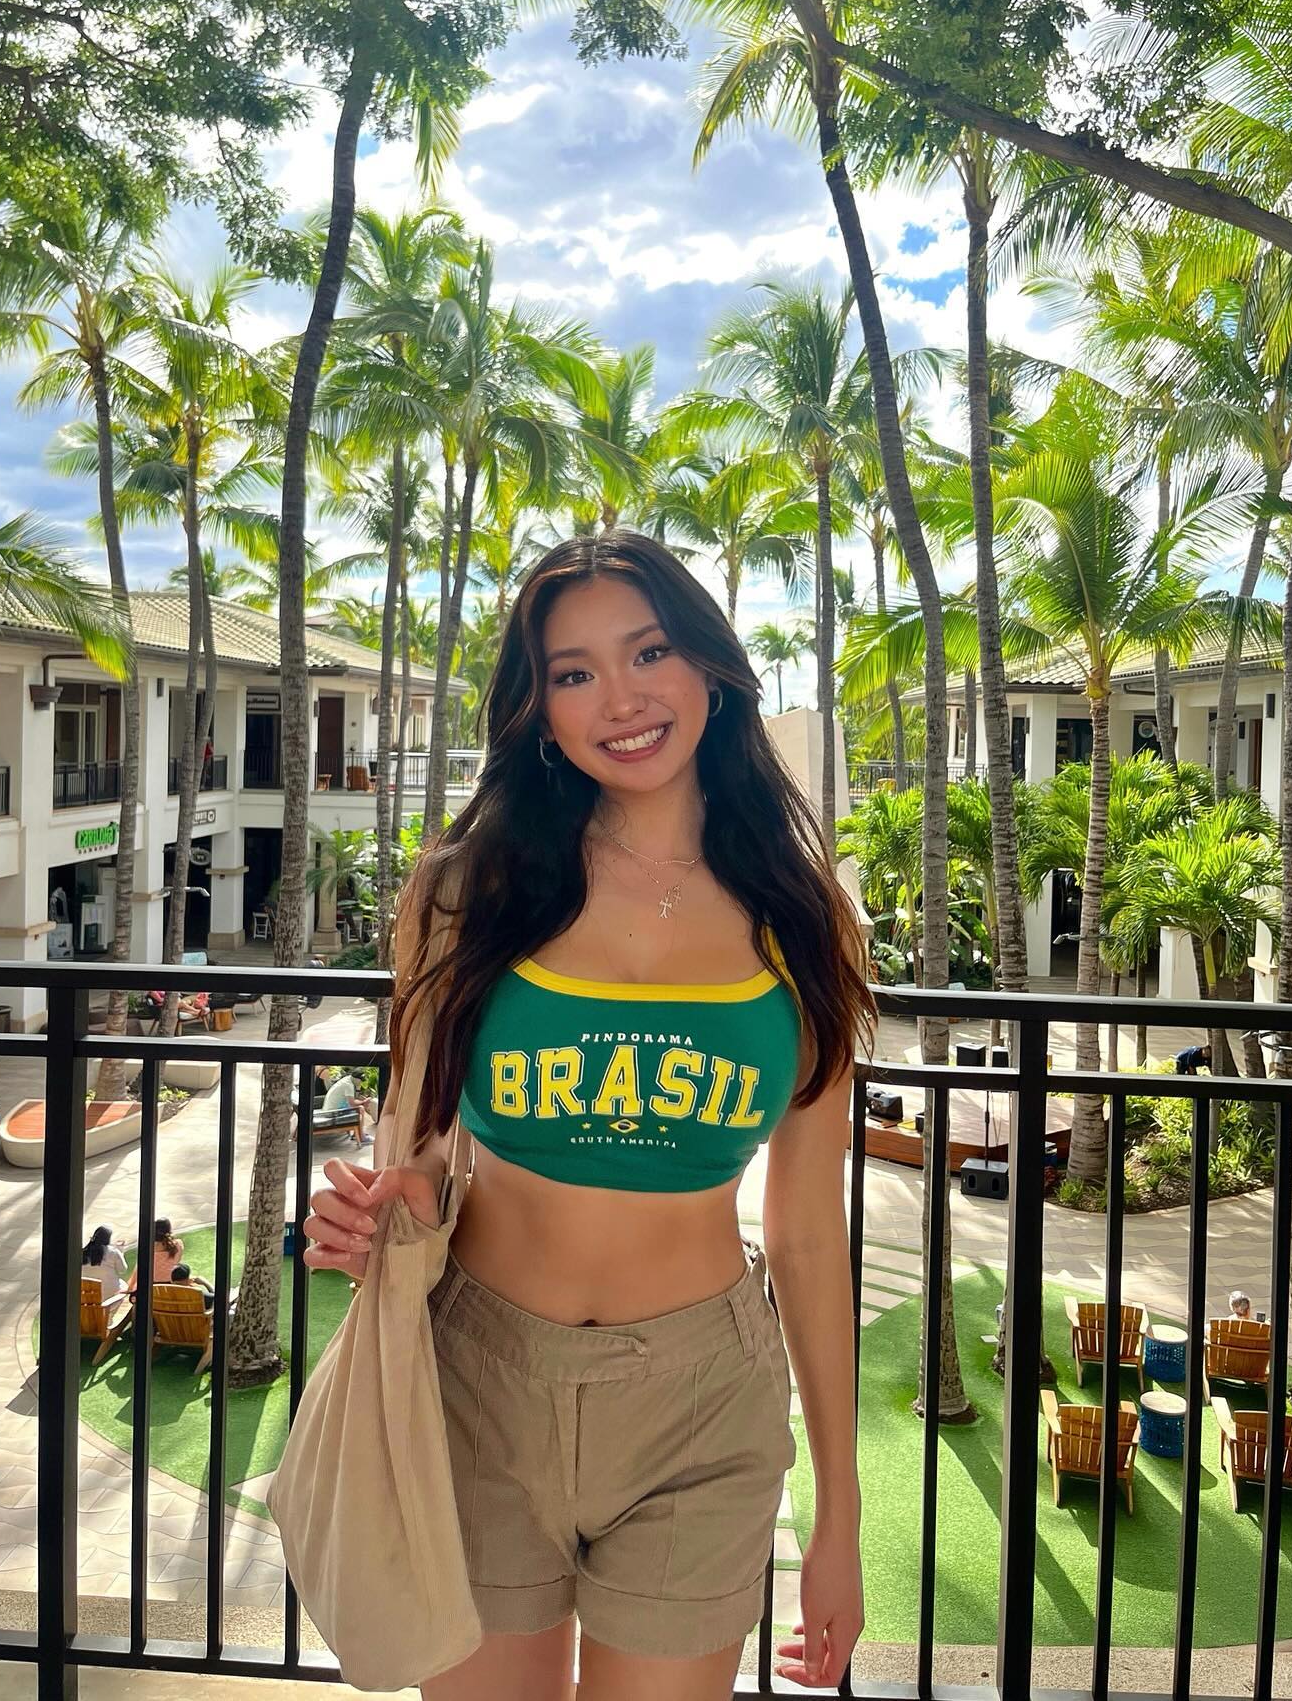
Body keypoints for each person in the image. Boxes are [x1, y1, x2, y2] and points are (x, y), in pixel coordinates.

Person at [305, 532, 875, 1698]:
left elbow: (810, 1232)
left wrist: (841, 1519)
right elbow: (417, 1144)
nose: (620, 698)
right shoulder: (464, 891)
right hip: (475, 1379)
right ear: (542, 711)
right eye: (574, 672)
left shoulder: (807, 919)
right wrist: (388, 1203)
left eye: (649, 651)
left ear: (711, 667)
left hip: (701, 1404)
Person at [130, 1219, 184, 1291]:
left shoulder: (147, 1246)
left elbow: (138, 1269)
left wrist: (130, 1287)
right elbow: (176, 1263)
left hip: (151, 1284)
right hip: (171, 1283)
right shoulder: (177, 1244)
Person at [80, 1225, 129, 1302]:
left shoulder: (83, 1252)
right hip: (109, 1298)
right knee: (125, 1286)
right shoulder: (113, 1252)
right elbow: (122, 1270)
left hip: (87, 1295)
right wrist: (120, 1251)